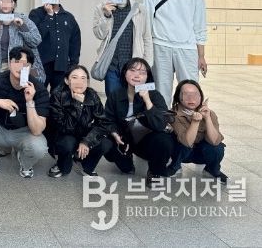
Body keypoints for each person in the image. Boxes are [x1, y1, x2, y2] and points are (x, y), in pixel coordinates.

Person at [0, 47, 49, 179]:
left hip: (24, 133)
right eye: (17, 62)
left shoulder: (39, 89)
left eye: (25, 64)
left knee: (39, 147)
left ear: (30, 67)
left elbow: (37, 130)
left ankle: (25, 163)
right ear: (9, 62)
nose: (20, 67)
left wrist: (30, 101)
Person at [143, 0, 207, 106]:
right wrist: (146, 51)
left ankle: (190, 118)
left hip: (187, 48)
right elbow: (146, 21)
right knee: (161, 89)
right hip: (160, 46)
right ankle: (163, 119)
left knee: (190, 88)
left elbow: (200, 24)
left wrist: (201, 56)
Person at [102, 57, 175, 187]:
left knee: (164, 141)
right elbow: (107, 119)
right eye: (132, 70)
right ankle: (127, 160)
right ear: (125, 73)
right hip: (122, 139)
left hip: (145, 139)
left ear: (147, 77)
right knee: (124, 166)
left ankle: (154, 171)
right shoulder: (116, 94)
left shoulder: (155, 95)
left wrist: (147, 100)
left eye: (142, 72)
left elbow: (160, 124)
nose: (137, 75)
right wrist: (114, 134)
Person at [93, 0, 153, 97]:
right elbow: (99, 35)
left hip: (134, 62)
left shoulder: (140, 9)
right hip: (111, 63)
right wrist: (106, 15)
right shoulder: (101, 8)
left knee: (134, 98)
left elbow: (146, 37)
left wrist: (146, 64)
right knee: (113, 98)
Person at [47, 65, 109, 178]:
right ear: (67, 81)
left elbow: (103, 123)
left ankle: (85, 165)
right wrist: (78, 104)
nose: (79, 82)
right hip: (64, 135)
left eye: (83, 78)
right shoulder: (57, 95)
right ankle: (61, 164)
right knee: (67, 145)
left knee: (106, 143)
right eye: (74, 77)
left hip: (84, 134)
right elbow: (63, 127)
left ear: (87, 82)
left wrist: (87, 141)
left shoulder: (92, 95)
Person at [0, 0, 45, 84]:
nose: (6, 4)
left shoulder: (23, 18)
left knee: (21, 90)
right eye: (2, 0)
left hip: (22, 64)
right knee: (0, 90)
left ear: (14, 4)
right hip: (0, 65)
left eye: (9, 1)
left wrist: (22, 26)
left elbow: (36, 40)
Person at [168, 80, 227, 183]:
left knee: (218, 147)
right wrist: (195, 122)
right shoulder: (173, 114)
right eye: (186, 94)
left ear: (201, 97)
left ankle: (212, 169)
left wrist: (207, 118)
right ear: (178, 97)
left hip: (201, 153)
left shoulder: (209, 113)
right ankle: (175, 166)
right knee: (177, 143)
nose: (191, 98)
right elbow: (187, 142)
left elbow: (214, 141)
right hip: (183, 153)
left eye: (195, 94)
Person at [29, 0, 81, 91]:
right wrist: (49, 15)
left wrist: (73, 64)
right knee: (38, 94)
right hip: (40, 65)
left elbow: (75, 42)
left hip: (62, 65)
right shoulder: (35, 14)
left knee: (59, 96)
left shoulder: (68, 17)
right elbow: (34, 37)